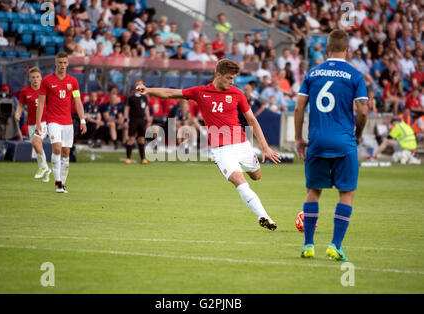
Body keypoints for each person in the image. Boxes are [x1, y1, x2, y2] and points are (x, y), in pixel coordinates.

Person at [135, 59, 282, 231]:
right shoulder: (200, 92)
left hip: (242, 144)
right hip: (221, 150)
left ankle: (260, 207)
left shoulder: (237, 93)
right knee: (240, 181)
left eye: (234, 78)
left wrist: (265, 147)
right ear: (218, 75)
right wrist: (149, 90)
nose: (232, 82)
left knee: (256, 176)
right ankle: (264, 216)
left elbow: (251, 120)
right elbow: (170, 93)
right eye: (229, 78)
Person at [294, 30, 369, 261]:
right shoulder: (355, 75)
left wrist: (298, 139)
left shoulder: (313, 73)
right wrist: (357, 135)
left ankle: (308, 245)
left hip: (316, 141)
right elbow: (363, 111)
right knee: (346, 193)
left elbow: (298, 108)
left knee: (313, 191)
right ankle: (335, 245)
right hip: (344, 141)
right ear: (348, 50)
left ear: (327, 49)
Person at [36, 51, 87, 193]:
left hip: (68, 122)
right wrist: (39, 122)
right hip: (53, 121)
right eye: (60, 63)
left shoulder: (73, 82)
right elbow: (41, 103)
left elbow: (77, 101)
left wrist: (82, 120)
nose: (62, 65)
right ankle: (58, 183)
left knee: (66, 152)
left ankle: (63, 184)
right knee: (57, 149)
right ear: (55, 63)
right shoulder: (46, 81)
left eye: (65, 63)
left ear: (68, 64)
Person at [15, 67, 51, 182]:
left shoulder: (46, 90)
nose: (35, 79)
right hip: (31, 123)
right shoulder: (25, 91)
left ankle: (42, 167)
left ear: (41, 78)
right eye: (33, 77)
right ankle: (46, 169)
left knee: (36, 142)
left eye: (37, 77)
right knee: (37, 145)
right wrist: (17, 113)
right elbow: (20, 105)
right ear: (29, 79)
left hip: (44, 122)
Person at [124, 78, 152, 164]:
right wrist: (125, 120)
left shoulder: (144, 97)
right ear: (136, 86)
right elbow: (126, 109)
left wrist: (148, 119)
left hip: (141, 120)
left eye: (141, 84)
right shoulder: (131, 97)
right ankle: (128, 158)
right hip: (133, 120)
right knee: (131, 139)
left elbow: (146, 109)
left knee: (141, 139)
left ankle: (142, 158)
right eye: (138, 84)